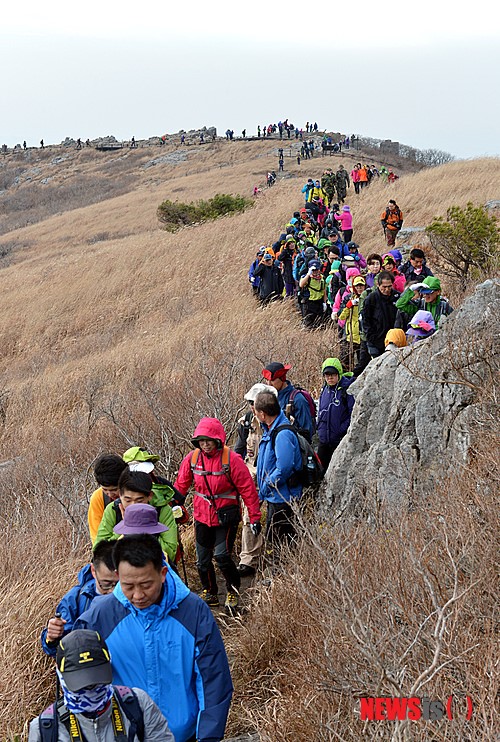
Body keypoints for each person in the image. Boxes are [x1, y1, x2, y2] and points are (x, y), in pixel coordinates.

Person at [75, 535, 232, 742]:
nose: (138, 595)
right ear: (117, 575)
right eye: (128, 586)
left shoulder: (193, 612)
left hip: (183, 735)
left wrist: (208, 736)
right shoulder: (100, 618)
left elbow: (213, 680)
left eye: (146, 584)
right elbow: (82, 681)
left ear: (163, 573)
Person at [174, 417, 261, 612]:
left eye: (209, 440)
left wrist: (255, 518)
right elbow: (181, 485)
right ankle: (210, 592)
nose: (205, 445)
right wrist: (172, 505)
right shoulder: (193, 458)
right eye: (201, 441)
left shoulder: (232, 460)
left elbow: (248, 490)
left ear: (218, 440)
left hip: (226, 517)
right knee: (202, 560)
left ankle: (233, 590)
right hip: (202, 516)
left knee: (222, 556)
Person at [29, 629, 174, 742]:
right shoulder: (45, 728)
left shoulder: (138, 704)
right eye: (81, 686)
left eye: (97, 681)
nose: (90, 690)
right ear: (62, 677)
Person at [40, 541, 117, 657]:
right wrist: (51, 638)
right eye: (106, 583)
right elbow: (60, 650)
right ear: (93, 571)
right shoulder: (75, 599)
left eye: (120, 584)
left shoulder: (135, 597)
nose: (112, 591)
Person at [234, 383, 278, 577]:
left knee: (275, 517)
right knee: (249, 516)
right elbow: (239, 449)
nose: (252, 406)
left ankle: (274, 555)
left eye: (254, 402)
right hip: (251, 472)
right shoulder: (245, 422)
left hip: (273, 475)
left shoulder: (279, 422)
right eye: (250, 403)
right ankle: (248, 559)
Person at [94, 469, 178, 565]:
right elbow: (98, 552)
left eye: (139, 500)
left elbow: (170, 552)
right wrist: (125, 528)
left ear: (150, 496)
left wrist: (142, 527)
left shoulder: (162, 510)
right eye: (128, 500)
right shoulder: (113, 509)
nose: (133, 506)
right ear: (120, 495)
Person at [253, 390, 302, 552]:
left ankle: (280, 575)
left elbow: (284, 468)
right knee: (276, 543)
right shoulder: (271, 429)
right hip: (276, 496)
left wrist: (266, 485)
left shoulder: (282, 434)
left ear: (262, 414)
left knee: (279, 546)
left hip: (283, 498)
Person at [316, 358, 355, 470]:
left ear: (339, 373)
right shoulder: (325, 389)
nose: (330, 377)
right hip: (324, 440)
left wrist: (341, 429)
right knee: (320, 470)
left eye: (333, 374)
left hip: (339, 439)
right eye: (327, 375)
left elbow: (353, 413)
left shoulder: (346, 390)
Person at [262, 362, 315, 441]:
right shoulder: (270, 398)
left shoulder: (298, 400)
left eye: (272, 380)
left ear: (282, 378)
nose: (269, 384)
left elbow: (306, 431)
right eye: (267, 380)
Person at [88, 453, 128, 542]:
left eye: (114, 489)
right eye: (105, 489)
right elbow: (97, 541)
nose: (110, 494)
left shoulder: (138, 496)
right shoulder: (98, 498)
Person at [361, 270, 400, 358]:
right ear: (378, 285)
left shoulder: (397, 297)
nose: (387, 290)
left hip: (393, 340)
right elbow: (365, 320)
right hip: (376, 340)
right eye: (384, 287)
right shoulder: (371, 299)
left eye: (389, 286)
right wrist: (371, 337)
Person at [298, 259, 327, 329]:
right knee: (308, 325)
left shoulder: (322, 278)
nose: (315, 272)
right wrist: (308, 274)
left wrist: (324, 303)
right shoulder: (307, 277)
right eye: (313, 270)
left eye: (316, 269)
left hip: (319, 303)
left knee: (319, 324)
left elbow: (324, 290)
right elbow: (301, 284)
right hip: (309, 304)